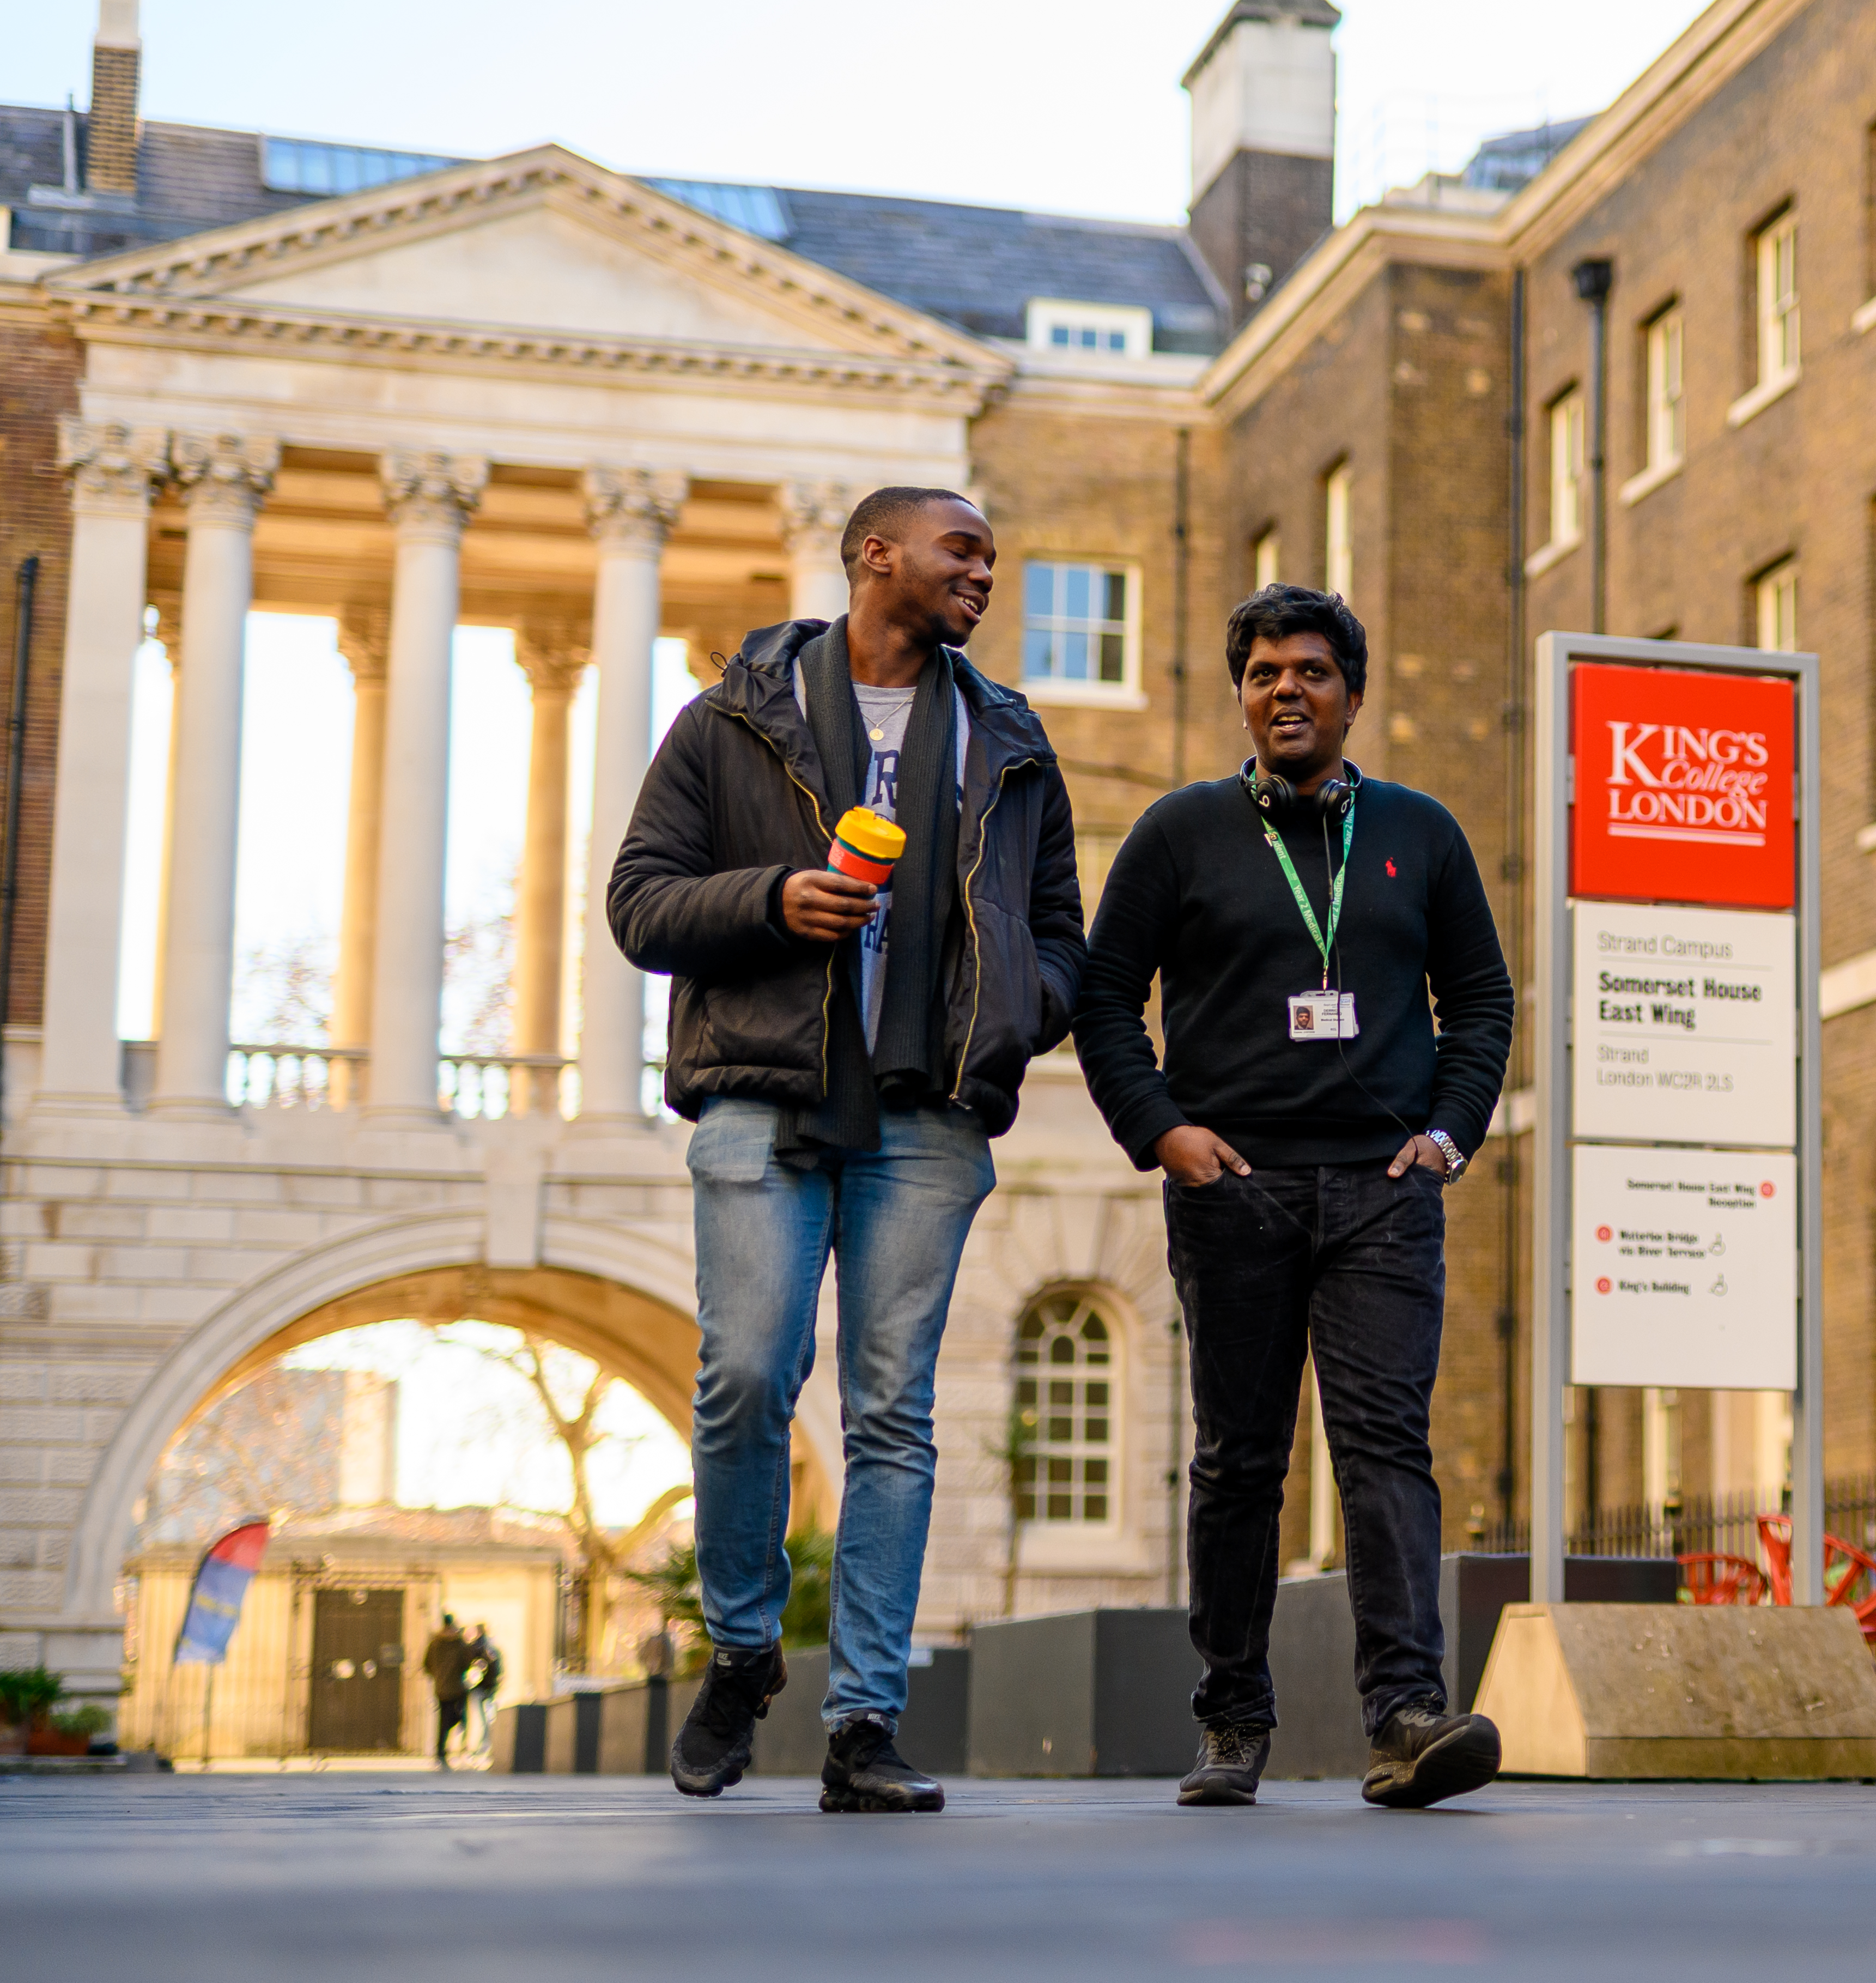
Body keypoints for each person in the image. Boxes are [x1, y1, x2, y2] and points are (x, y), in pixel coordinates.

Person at [609, 487, 1086, 1814]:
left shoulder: (1006, 736)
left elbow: (1059, 925)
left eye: (992, 553)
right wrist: (771, 899)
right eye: (962, 552)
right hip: (762, 1093)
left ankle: (865, 1720)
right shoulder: (730, 717)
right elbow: (638, 902)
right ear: (875, 557)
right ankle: (745, 1646)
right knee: (747, 1372)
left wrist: (1020, 1010)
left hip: (927, 1112)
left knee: (894, 1413)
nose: (985, 574)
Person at [1075, 584, 1516, 1809]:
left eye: (1311, 671)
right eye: (1264, 670)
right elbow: (1105, 997)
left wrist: (1447, 1134)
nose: (1287, 689)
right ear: (1242, 692)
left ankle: (1406, 1715)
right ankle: (1232, 1718)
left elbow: (1480, 999)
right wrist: (1162, 1131)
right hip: (1236, 1188)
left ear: (1352, 694)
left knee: (1386, 1447)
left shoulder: (1420, 833)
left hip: (1384, 1189)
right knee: (1238, 1461)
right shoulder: (1180, 832)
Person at [422, 1613, 471, 1769]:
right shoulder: (459, 1642)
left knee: (443, 1719)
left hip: (441, 1687)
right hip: (456, 1687)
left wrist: (437, 1675)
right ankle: (444, 1750)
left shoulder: (435, 1643)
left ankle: (440, 1751)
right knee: (457, 1716)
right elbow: (466, 1663)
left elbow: (426, 1664)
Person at [465, 1625, 502, 1765]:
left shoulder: (473, 1648)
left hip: (477, 1689)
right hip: (490, 1689)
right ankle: (484, 1746)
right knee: (487, 1719)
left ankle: (476, 1747)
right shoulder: (492, 1648)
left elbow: (467, 1668)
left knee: (477, 1719)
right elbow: (498, 1669)